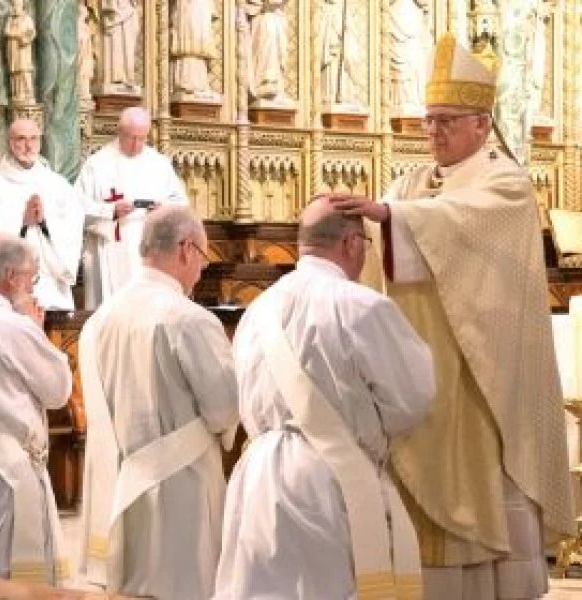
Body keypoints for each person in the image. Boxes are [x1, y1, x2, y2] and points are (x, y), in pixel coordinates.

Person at [329, 32, 574, 599]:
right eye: (428, 121)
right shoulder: (413, 182)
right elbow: (388, 226)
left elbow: (456, 224)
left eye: (446, 121)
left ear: (482, 124)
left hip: (477, 376)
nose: (433, 132)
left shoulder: (506, 183)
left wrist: (392, 216)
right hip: (418, 374)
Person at [214, 197, 435, 599]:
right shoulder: (362, 306)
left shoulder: (257, 310)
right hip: (329, 475)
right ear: (352, 243)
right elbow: (411, 397)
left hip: (258, 474)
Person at [79, 205, 238, 599]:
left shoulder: (102, 318)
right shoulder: (189, 318)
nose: (202, 269)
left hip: (122, 484)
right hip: (182, 489)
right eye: (202, 256)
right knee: (184, 584)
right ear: (186, 249)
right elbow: (223, 408)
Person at [0, 234, 72, 583]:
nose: (33, 286)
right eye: (32, 277)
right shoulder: (11, 326)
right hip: (3, 468)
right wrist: (35, 331)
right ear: (11, 277)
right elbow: (57, 391)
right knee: (9, 575)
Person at [75, 106, 188, 309]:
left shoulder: (159, 164)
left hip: (150, 249)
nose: (136, 144)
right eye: (131, 137)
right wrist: (110, 211)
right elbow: (75, 208)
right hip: (112, 246)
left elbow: (181, 204)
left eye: (142, 138)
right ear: (119, 132)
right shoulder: (97, 164)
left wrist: (163, 210)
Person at [0, 119, 84, 310]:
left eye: (34, 139)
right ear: (9, 142)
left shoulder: (59, 186)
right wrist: (23, 223)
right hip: (7, 292)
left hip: (52, 288)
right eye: (21, 139)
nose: (28, 146)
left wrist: (45, 224)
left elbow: (72, 233)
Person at [389, 0, 432, 117]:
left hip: (411, 17)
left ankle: (413, 101)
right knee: (402, 64)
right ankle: (400, 102)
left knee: (414, 61)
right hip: (398, 14)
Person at [170, 0, 217, 98]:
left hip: (201, 7)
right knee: (189, 34)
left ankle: (200, 83)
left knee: (199, 40)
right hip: (187, 7)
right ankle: (185, 82)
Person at [245, 0, 289, 101]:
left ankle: (275, 81)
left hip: (277, 17)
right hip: (262, 17)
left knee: (278, 46)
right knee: (268, 30)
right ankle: (265, 81)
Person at [320, 0, 360, 106]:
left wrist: (346, 27)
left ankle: (346, 96)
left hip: (344, 48)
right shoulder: (329, 10)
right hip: (333, 49)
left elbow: (349, 29)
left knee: (347, 65)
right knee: (332, 73)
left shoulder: (344, 9)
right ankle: (332, 96)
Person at [100, 0, 139, 91]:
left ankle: (127, 76)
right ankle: (116, 76)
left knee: (128, 48)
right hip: (114, 13)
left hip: (128, 13)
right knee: (115, 45)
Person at [4, 0, 36, 103]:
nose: (15, 7)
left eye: (17, 5)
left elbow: (31, 33)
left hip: (23, 50)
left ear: (22, 6)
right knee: (14, 72)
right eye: (13, 5)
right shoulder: (11, 20)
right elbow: (6, 31)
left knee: (24, 70)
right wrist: (17, 34)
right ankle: (16, 94)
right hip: (13, 50)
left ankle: (28, 94)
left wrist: (22, 37)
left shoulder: (27, 19)